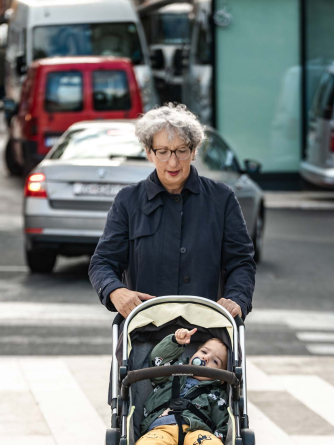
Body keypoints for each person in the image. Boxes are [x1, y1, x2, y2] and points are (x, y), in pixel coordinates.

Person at [89, 104, 256, 319]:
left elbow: (241, 262)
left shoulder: (222, 199)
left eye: (181, 150)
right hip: (145, 329)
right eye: (163, 152)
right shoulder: (127, 201)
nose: (173, 162)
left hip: (207, 328)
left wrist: (236, 298)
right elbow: (103, 262)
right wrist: (115, 290)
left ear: (194, 151)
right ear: (149, 153)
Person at [125, 326, 240, 445]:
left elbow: (223, 422)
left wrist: (218, 439)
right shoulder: (171, 373)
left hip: (196, 430)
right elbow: (157, 360)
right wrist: (175, 342)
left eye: (215, 361)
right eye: (203, 352)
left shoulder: (215, 393)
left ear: (221, 377)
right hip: (161, 427)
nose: (205, 359)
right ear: (193, 354)